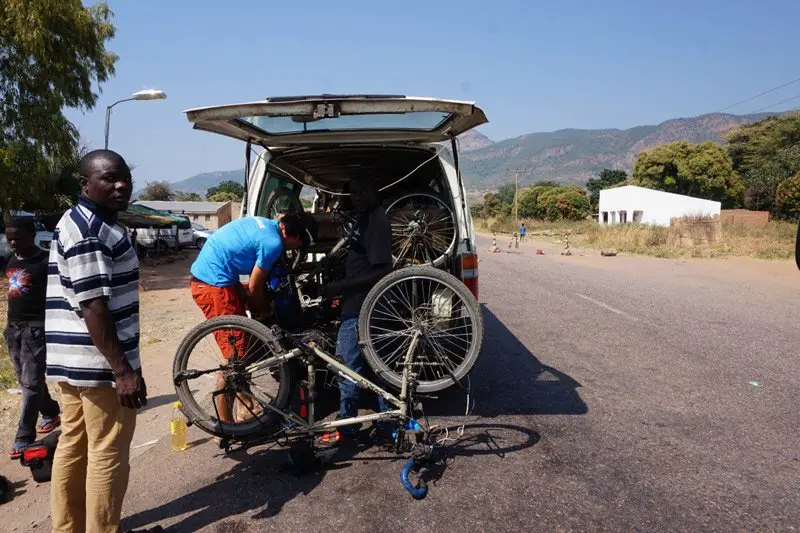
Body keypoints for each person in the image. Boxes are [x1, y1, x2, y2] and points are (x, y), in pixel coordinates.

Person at [46, 149, 153, 533]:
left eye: (125, 176)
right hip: (99, 365)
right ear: (85, 183)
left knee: (73, 445)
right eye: (109, 178)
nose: (121, 185)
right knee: (108, 451)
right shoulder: (91, 230)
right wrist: (122, 370)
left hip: (71, 360)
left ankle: (68, 527)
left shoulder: (79, 220)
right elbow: (93, 305)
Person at [189, 212, 318, 422]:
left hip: (219, 278)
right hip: (213, 285)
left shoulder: (268, 225)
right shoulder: (273, 243)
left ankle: (242, 409)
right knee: (234, 358)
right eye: (298, 245)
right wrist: (263, 314)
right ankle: (226, 425)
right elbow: (254, 287)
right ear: (295, 236)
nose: (295, 249)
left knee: (240, 349)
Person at [320, 176, 393, 445]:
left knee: (347, 367)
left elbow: (383, 270)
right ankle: (386, 425)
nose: (358, 197)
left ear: (375, 191)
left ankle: (347, 427)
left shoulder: (376, 221)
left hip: (362, 307)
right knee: (376, 368)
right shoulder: (365, 216)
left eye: (363, 191)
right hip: (362, 304)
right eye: (353, 193)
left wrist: (341, 285)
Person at [2, 217, 60, 459]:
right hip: (13, 330)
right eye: (9, 237)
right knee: (26, 380)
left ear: (32, 235)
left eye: (17, 236)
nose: (13, 241)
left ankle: (24, 436)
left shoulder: (46, 261)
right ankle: (50, 410)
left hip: (36, 331)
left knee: (30, 383)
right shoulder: (10, 260)